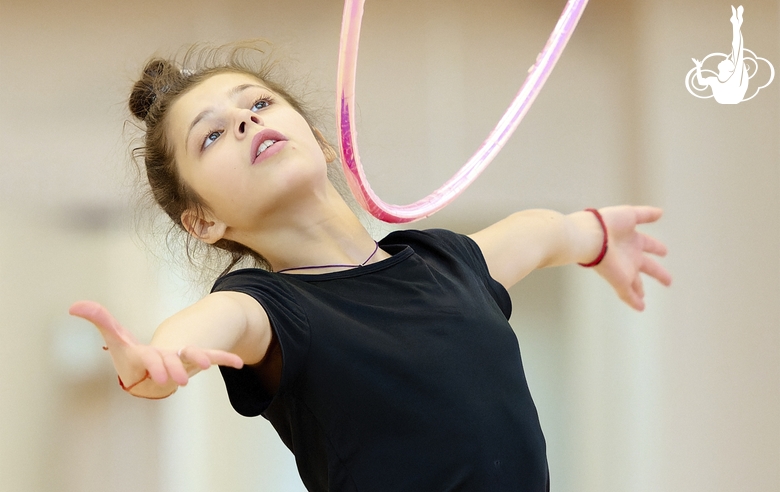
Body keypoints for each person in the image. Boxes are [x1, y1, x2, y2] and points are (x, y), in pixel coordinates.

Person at [70, 44, 671, 491]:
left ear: (323, 141)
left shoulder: (445, 261)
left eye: (258, 103)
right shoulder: (266, 307)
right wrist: (156, 361)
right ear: (201, 220)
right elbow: (204, 328)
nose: (247, 122)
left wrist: (591, 234)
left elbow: (537, 232)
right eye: (212, 136)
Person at [692, 5, 748, 104]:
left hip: (732, 96)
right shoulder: (716, 80)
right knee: (737, 52)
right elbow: (701, 82)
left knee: (737, 51)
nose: (724, 59)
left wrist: (698, 68)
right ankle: (736, 23)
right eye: (728, 61)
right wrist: (698, 67)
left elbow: (737, 49)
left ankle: (736, 23)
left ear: (729, 69)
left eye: (727, 61)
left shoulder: (732, 78)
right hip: (730, 97)